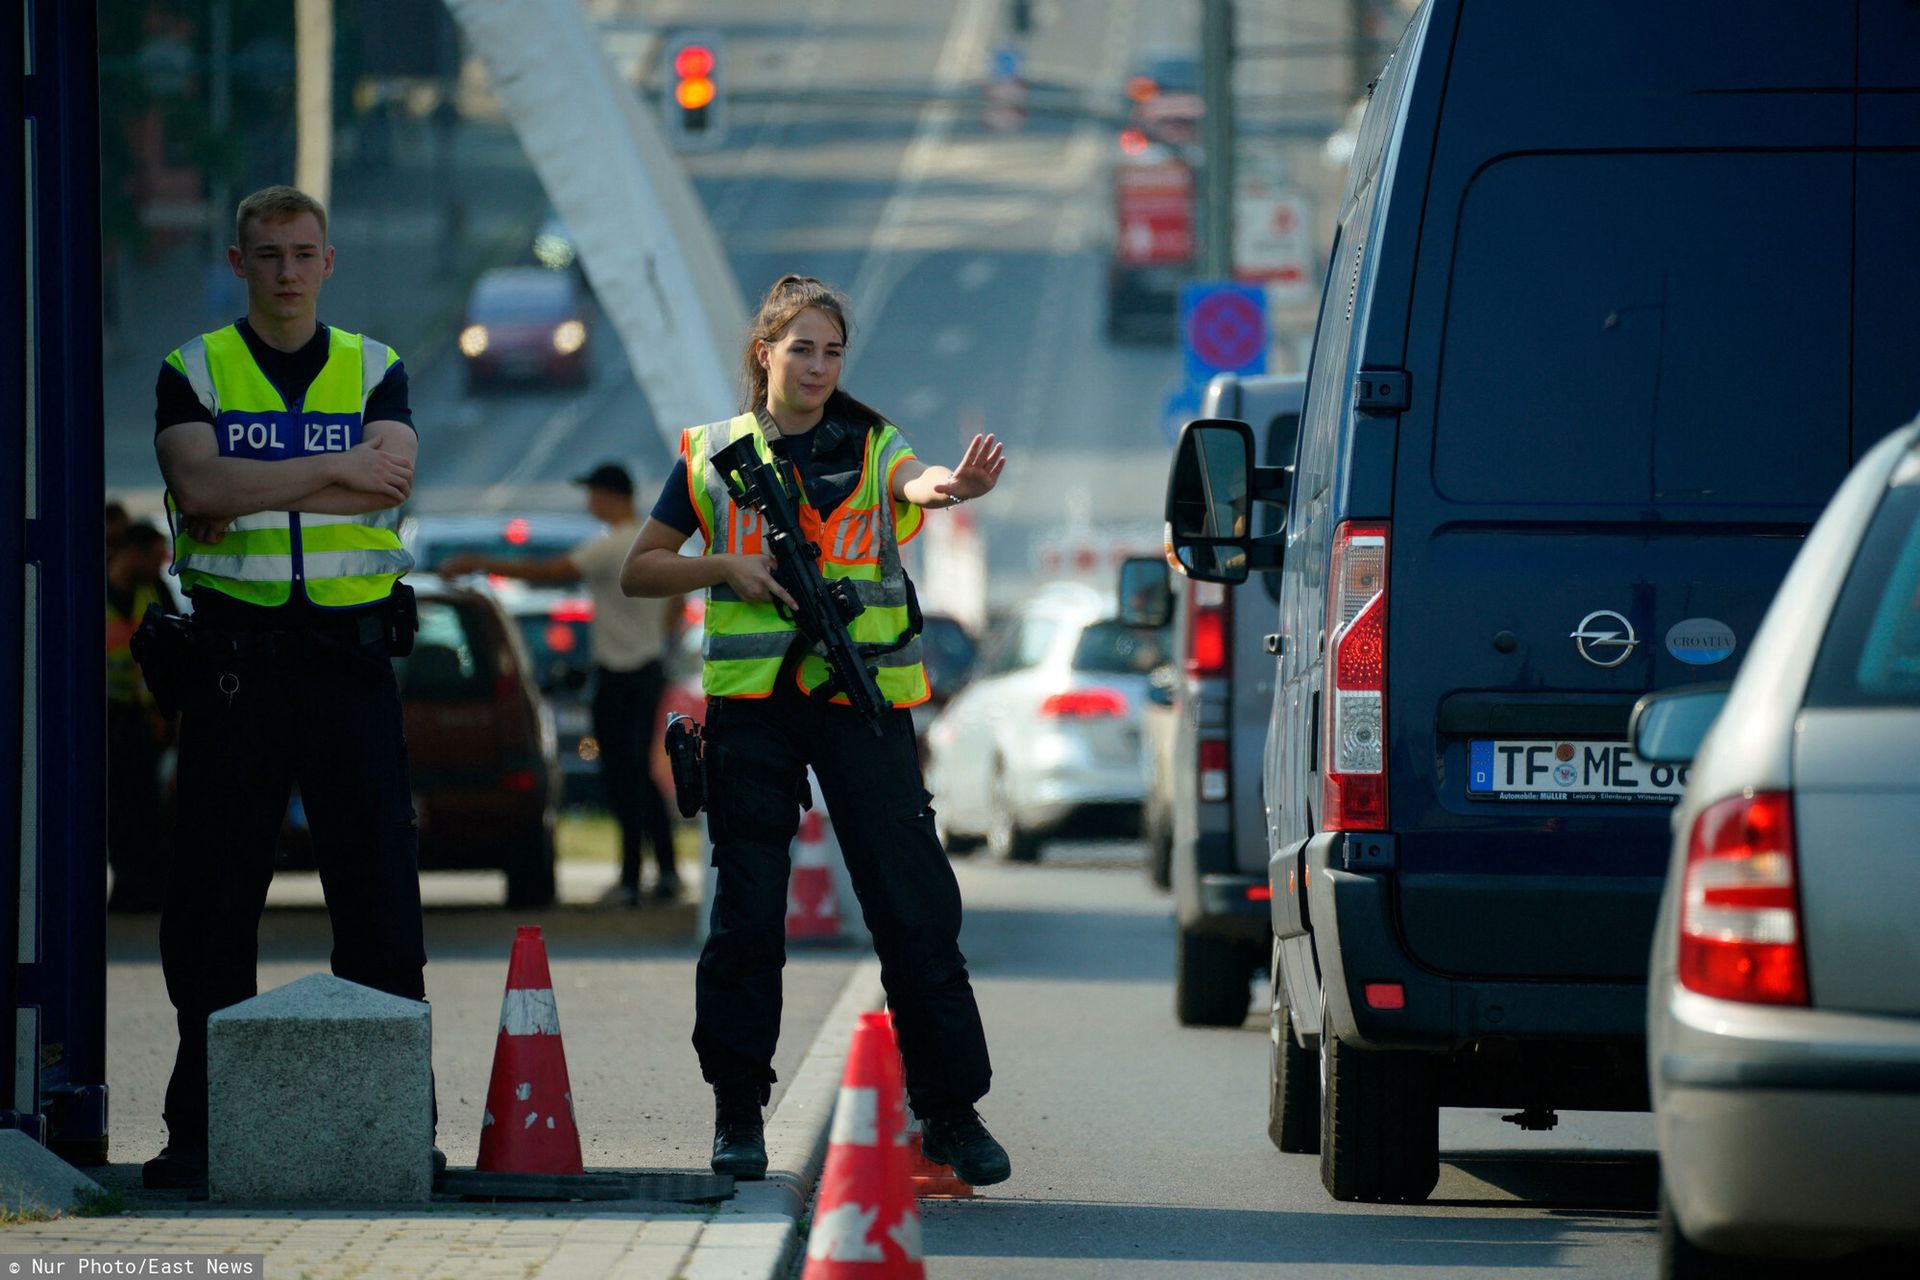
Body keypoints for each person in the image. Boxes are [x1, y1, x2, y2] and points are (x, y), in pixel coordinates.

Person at [619, 275, 1013, 1186]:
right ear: (766, 353)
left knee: (914, 907)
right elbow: (643, 568)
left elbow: (920, 481)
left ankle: (950, 1115)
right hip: (755, 710)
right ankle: (738, 1112)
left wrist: (955, 487)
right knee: (748, 917)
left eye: (833, 351)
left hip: (861, 701)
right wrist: (729, 566)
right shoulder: (712, 453)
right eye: (802, 348)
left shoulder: (875, 445)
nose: (819, 366)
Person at [143, 184, 430, 1190]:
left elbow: (390, 479)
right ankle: (199, 1130)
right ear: (239, 263)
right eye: (267, 254)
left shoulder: (376, 366)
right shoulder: (194, 369)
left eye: (304, 253)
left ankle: (396, 1124)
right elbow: (200, 487)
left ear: (328, 261)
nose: (287, 271)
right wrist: (336, 467)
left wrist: (252, 480)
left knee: (380, 898)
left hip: (353, 666)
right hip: (238, 668)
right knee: (213, 904)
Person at [440, 464, 684, 905]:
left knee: (621, 776)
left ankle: (632, 879)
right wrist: (657, 642)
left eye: (592, 494)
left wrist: (478, 563)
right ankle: (664, 871)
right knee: (639, 774)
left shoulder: (613, 545)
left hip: (620, 674)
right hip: (647, 668)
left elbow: (550, 572)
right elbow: (677, 605)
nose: (588, 503)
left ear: (609, 495)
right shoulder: (654, 543)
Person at [105, 523, 174, 913]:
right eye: (155, 557)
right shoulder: (92, 588)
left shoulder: (153, 590)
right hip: (103, 719)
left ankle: (142, 888)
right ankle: (127, 885)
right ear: (134, 552)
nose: (160, 566)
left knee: (145, 807)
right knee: (114, 808)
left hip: (142, 720)